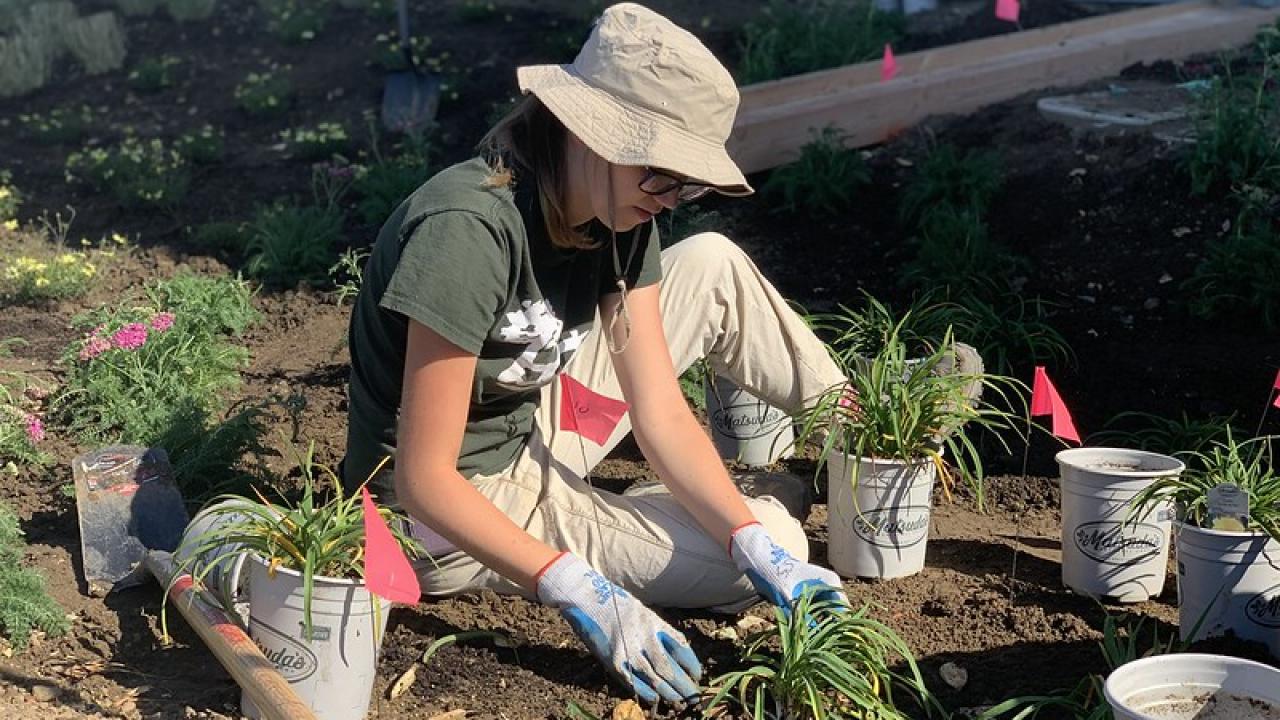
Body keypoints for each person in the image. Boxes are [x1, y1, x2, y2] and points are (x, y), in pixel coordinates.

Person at [341, 2, 863, 705]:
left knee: (709, 260)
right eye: (663, 175)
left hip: (527, 417)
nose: (672, 198)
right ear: (592, 133)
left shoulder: (620, 209)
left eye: (688, 181)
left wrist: (745, 538)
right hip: (452, 511)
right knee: (781, 543)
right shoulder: (467, 232)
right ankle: (693, 516)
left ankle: (871, 432)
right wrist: (577, 586)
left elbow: (659, 410)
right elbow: (424, 479)